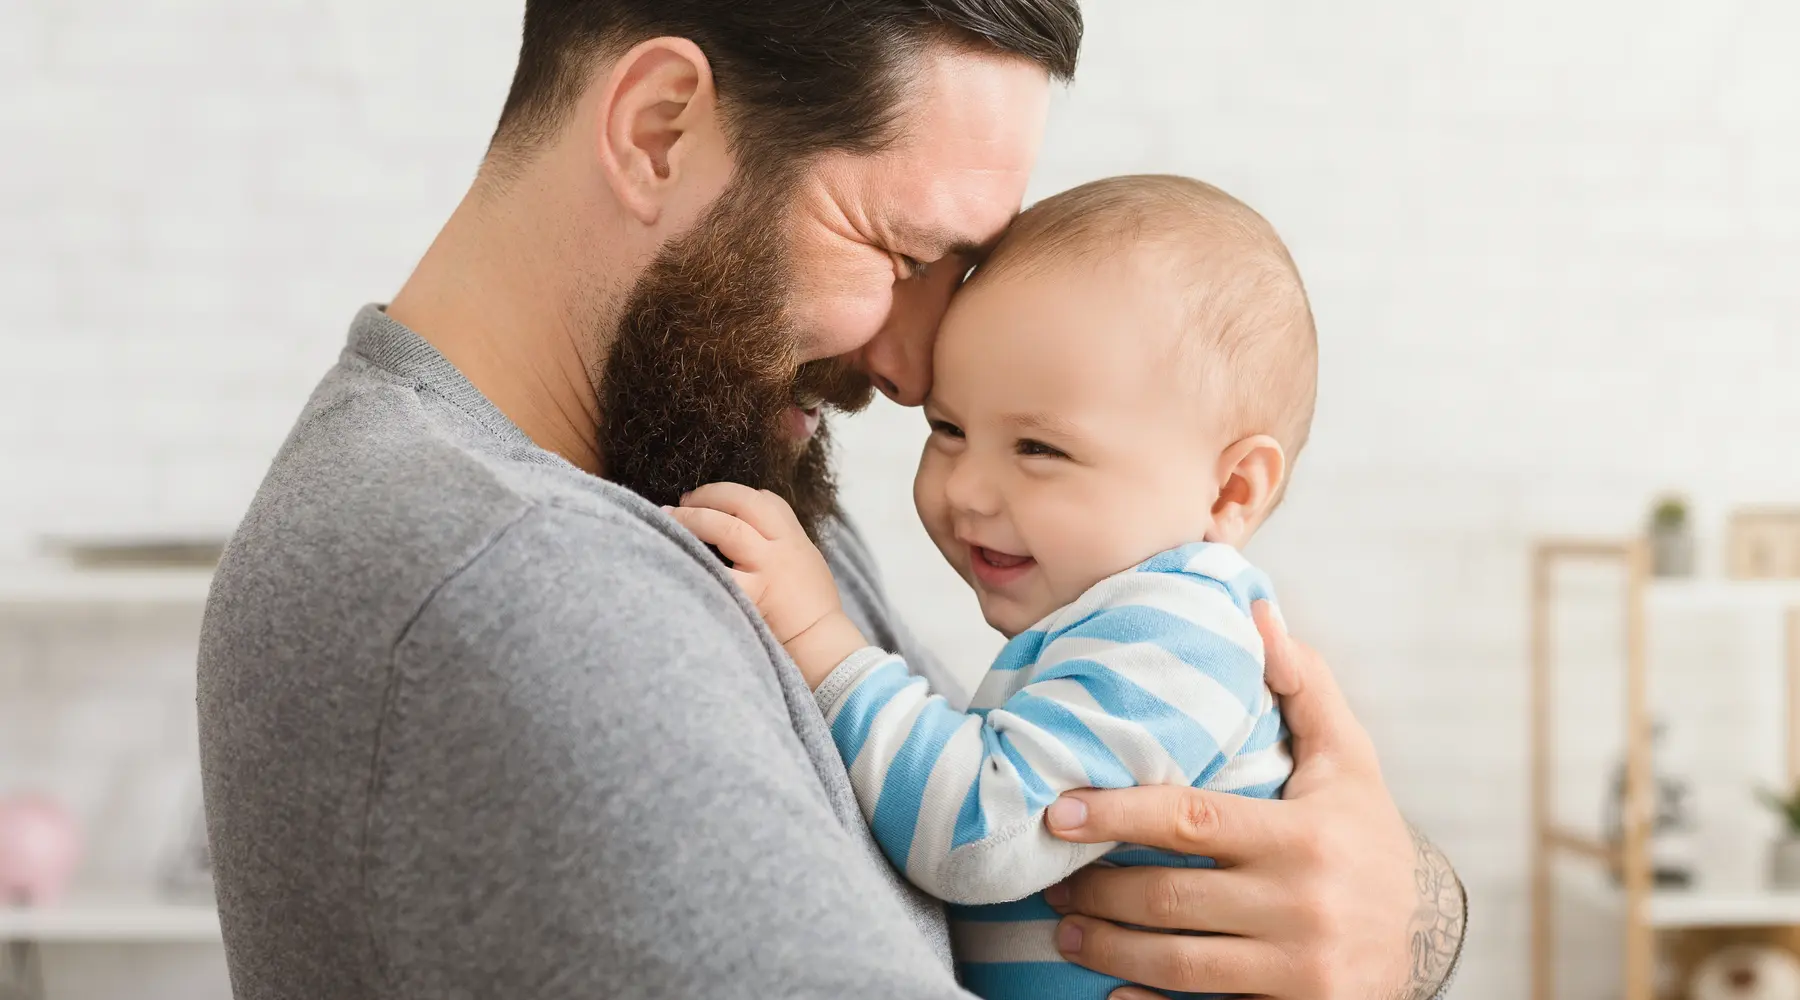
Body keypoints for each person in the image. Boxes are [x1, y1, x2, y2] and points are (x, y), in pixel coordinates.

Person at [195, 4, 1466, 999]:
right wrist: (1403, 931)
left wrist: (1389, 914)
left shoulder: (704, 461)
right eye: (902, 255)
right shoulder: (512, 576)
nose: (915, 369)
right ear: (659, 130)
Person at [670, 175, 1309, 1000]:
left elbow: (981, 831)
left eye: (1039, 448)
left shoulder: (1178, 634)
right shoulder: (1119, 624)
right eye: (949, 429)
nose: (967, 489)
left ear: (1231, 492)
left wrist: (821, 640)